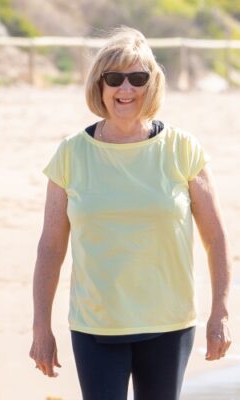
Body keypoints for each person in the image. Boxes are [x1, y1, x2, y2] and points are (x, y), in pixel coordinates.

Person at [30, 26, 232, 400]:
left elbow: (215, 236)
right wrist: (41, 326)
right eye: (115, 79)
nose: (126, 90)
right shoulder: (71, 154)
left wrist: (219, 311)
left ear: (152, 84)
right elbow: (50, 249)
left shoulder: (182, 149)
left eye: (137, 78)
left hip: (169, 324)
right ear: (100, 85)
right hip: (95, 326)